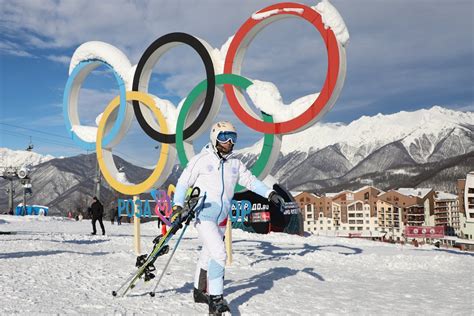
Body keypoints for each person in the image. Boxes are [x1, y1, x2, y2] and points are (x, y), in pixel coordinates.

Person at [172, 121, 285, 314]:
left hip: (222, 217)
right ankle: (216, 299)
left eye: (233, 138)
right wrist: (178, 205)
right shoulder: (201, 160)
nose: (230, 142)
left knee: (208, 253)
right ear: (215, 137)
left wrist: (269, 194)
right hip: (204, 214)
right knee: (219, 253)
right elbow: (183, 183)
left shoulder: (235, 164)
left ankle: (199, 291)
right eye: (224, 137)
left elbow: (250, 181)